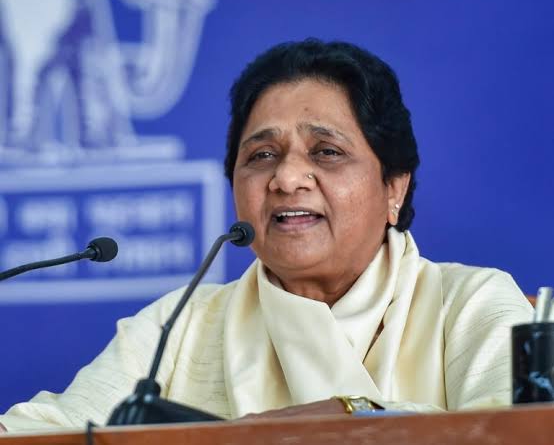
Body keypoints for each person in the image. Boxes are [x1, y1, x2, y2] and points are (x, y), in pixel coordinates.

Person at [0, 39, 532, 432]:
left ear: (394, 186)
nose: (287, 178)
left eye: (326, 152)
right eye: (262, 155)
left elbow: (519, 431)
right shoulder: (179, 325)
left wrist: (348, 416)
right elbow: (43, 433)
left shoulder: (468, 303)